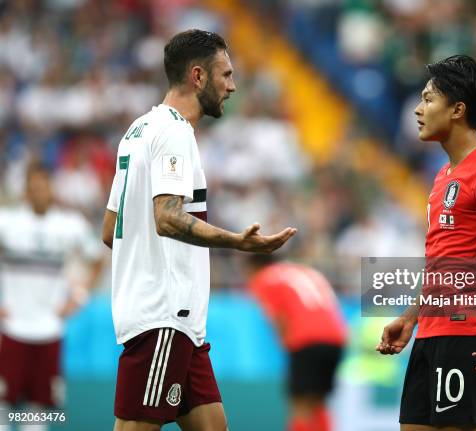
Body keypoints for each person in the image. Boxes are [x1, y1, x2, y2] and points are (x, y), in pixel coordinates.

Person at [101, 30, 296, 431]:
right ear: (197, 76)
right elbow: (167, 216)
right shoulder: (174, 132)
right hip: (164, 316)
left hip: (180, 322)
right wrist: (237, 243)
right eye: (225, 75)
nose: (233, 86)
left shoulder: (138, 130)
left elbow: (110, 229)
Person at [376, 55, 476, 431]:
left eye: (427, 100)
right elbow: (444, 263)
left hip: (466, 335)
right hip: (430, 334)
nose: (418, 110)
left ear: (458, 109)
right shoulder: (443, 176)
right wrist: (410, 319)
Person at [0, 162, 104, 431]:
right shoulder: (8, 222)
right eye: (32, 188)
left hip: (49, 328)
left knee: (40, 407)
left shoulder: (69, 226)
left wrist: (78, 297)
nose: (37, 192)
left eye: (42, 187)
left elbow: (97, 259)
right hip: (12, 328)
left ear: (50, 190)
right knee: (3, 404)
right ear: (25, 190)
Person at [244, 254, 347, 431]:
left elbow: (279, 317)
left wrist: (286, 343)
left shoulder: (265, 277)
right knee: (318, 401)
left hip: (306, 339)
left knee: (300, 404)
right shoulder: (306, 271)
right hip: (336, 338)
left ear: (253, 266)